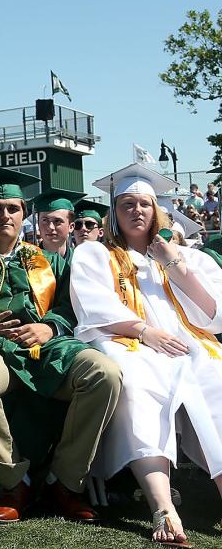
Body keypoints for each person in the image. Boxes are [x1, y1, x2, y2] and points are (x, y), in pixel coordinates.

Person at [0, 168, 121, 525]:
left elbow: (71, 308)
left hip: (46, 350)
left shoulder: (51, 261)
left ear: (25, 216)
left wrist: (48, 327)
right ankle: (15, 481)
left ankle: (65, 481)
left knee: (104, 373)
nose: (5, 215)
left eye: (13, 208)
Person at [70, 163, 222, 547]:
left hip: (191, 345)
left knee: (215, 381)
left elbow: (215, 314)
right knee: (136, 384)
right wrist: (146, 331)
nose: (136, 210)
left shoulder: (192, 256)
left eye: (144, 204)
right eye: (126, 204)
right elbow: (94, 306)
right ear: (114, 214)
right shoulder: (95, 254)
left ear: (157, 210)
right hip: (130, 342)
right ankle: (163, 507)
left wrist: (174, 262)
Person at [34, 189, 83, 265]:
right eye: (45, 220)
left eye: (57, 221)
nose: (50, 227)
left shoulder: (81, 262)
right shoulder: (27, 262)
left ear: (71, 227)